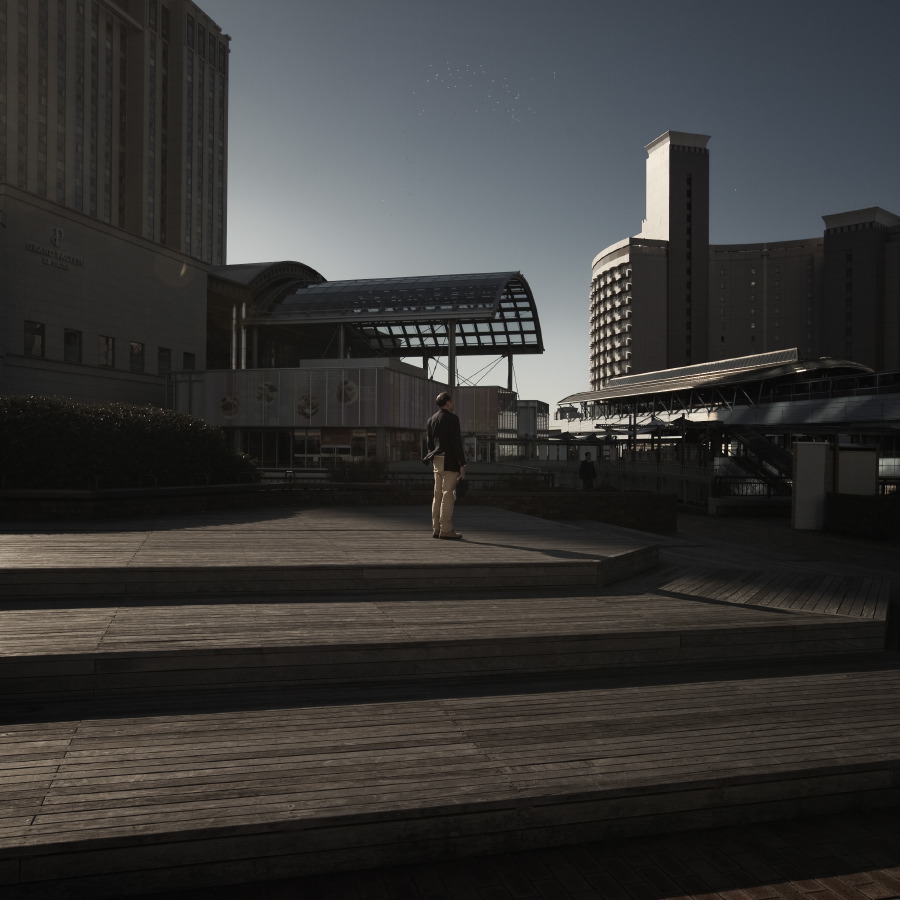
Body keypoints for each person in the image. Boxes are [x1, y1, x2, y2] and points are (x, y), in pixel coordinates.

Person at [423, 391, 467, 539]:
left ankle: (436, 528)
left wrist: (434, 458)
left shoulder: (431, 420)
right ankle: (446, 529)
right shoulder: (453, 419)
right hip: (450, 461)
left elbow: (429, 444)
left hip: (437, 459)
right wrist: (462, 464)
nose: (453, 404)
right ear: (447, 403)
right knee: (448, 495)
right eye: (451, 402)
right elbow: (456, 443)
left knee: (437, 495)